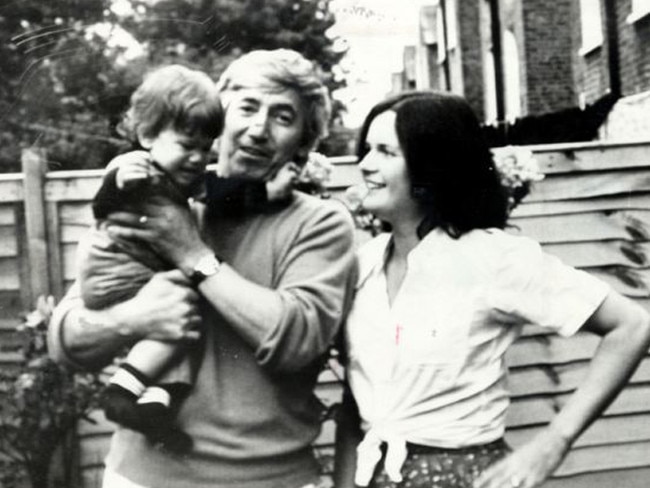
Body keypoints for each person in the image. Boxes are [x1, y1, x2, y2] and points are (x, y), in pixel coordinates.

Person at [48, 49, 356, 488]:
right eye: (247, 108)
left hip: (267, 479)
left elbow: (297, 339)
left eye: (283, 117)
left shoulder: (320, 222)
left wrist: (192, 253)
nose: (257, 129)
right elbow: (64, 337)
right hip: (142, 476)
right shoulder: (162, 197)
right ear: (218, 118)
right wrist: (132, 319)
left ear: (304, 143)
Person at [333, 91, 650, 488]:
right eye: (366, 150)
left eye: (384, 151)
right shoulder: (363, 264)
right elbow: (355, 397)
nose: (364, 165)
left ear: (432, 166)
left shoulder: (492, 258)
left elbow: (632, 326)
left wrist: (555, 440)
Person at [77, 63, 300, 453]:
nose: (198, 159)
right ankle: (123, 388)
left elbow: (222, 194)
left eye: (205, 147)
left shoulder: (183, 177)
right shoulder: (135, 167)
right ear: (147, 136)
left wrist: (268, 194)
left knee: (181, 324)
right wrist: (119, 180)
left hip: (134, 272)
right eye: (186, 145)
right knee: (183, 296)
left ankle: (155, 406)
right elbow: (103, 204)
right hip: (115, 269)